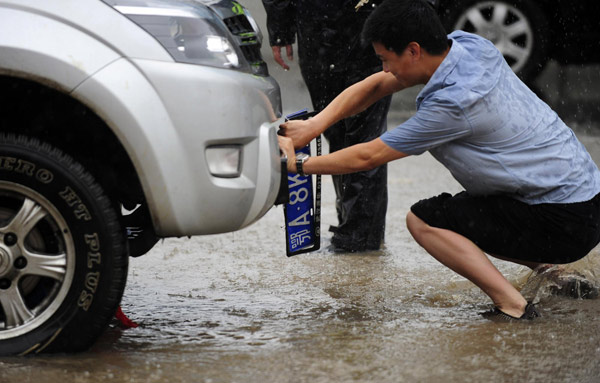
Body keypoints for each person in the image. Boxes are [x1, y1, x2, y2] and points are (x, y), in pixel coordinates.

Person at [277, 0, 600, 320]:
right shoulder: (470, 44)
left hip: (563, 221)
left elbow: (368, 155)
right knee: (474, 211)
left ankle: (512, 305)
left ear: (414, 50)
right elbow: (376, 85)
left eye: (386, 59)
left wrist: (296, 166)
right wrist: (314, 125)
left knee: (426, 220)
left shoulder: (455, 104)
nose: (385, 68)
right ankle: (552, 271)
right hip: (586, 200)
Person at [262, 0, 392, 252]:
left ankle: (358, 235)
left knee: (358, 132)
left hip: (348, 23)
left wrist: (281, 26)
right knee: (342, 131)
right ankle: (358, 231)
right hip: (327, 25)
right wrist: (281, 26)